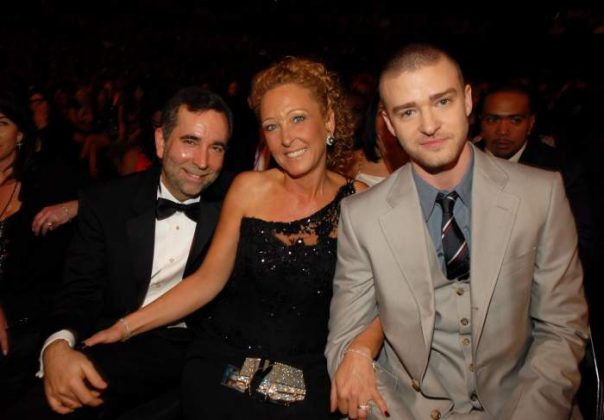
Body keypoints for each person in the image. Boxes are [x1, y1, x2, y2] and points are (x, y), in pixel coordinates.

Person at [85, 57, 377, 419]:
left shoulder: (358, 202)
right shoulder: (248, 189)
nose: (286, 138)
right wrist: (125, 327)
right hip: (225, 359)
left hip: (305, 373)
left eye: (298, 118)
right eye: (272, 126)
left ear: (329, 120)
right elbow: (208, 279)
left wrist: (361, 353)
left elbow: (388, 298)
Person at [326, 43, 589, 419]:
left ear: (467, 100)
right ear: (388, 123)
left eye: (442, 102)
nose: (429, 125)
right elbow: (345, 341)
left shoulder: (540, 195)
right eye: (408, 111)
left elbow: (561, 329)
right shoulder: (362, 215)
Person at [16, 86, 234, 419]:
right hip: (113, 343)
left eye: (216, 147)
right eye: (190, 141)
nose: (203, 162)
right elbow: (79, 292)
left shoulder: (237, 201)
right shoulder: (107, 203)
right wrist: (57, 347)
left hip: (198, 350)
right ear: (160, 141)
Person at [0, 89, 81, 413]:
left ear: (20, 134)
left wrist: (73, 207)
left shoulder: (44, 182)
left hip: (27, 323)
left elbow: (110, 200)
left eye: (1, 123)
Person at [476, 81, 595, 271]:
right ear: (481, 121)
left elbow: (581, 241)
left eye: (515, 120)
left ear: (530, 123)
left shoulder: (560, 169)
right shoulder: (459, 164)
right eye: (493, 120)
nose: (503, 131)